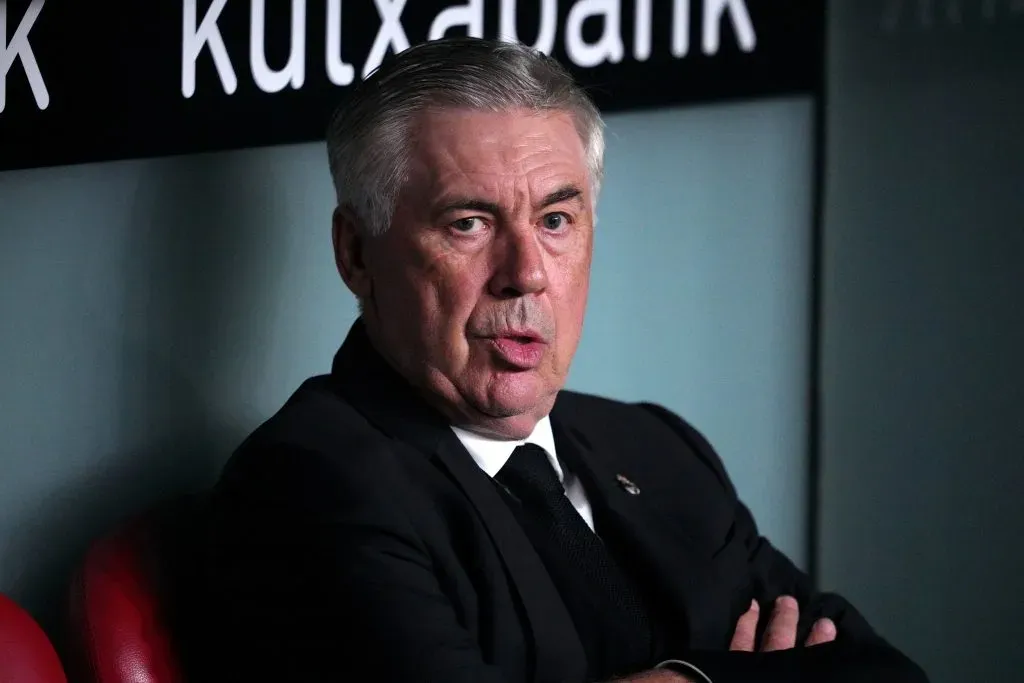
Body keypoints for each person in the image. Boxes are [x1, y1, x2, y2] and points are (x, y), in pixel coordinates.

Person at [203, 38, 927, 683]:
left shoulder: (657, 447)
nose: (526, 273)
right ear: (357, 252)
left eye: (555, 220)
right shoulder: (313, 481)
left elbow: (885, 670)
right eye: (469, 222)